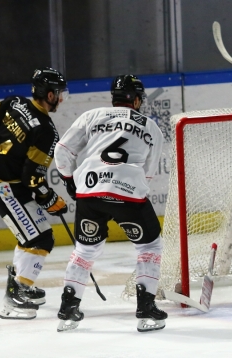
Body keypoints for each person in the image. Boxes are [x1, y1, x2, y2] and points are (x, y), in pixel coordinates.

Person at [53, 74, 167, 332]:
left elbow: (62, 151)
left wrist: (70, 181)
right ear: (136, 99)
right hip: (128, 194)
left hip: (89, 192)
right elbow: (148, 174)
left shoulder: (92, 115)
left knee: (85, 251)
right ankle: (146, 309)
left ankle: (68, 311)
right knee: (149, 246)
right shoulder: (151, 126)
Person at [0, 67, 69, 319]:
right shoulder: (46, 131)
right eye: (59, 93)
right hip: (4, 185)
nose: (61, 99)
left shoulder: (14, 102)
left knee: (35, 234)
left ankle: (20, 284)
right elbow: (32, 178)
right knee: (40, 238)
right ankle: (16, 295)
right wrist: (50, 199)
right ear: (49, 95)